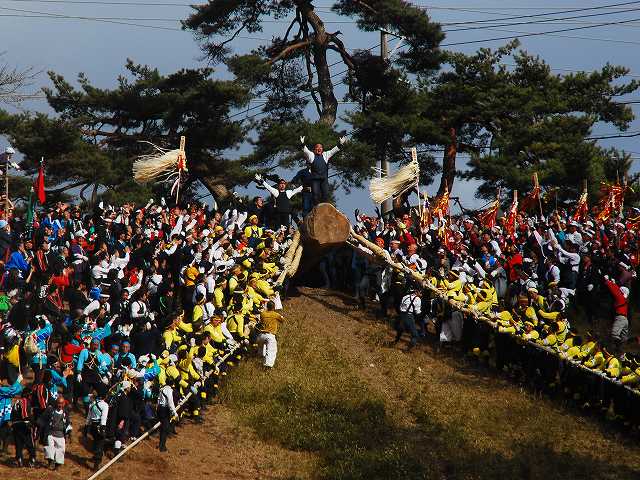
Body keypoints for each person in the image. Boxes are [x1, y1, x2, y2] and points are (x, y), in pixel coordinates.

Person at [300, 135, 347, 205]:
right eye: (317, 147)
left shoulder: (325, 155)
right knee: (315, 195)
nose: (319, 149)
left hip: (324, 179)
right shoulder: (312, 155)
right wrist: (302, 143)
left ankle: (324, 207)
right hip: (315, 179)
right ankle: (316, 207)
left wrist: (340, 144)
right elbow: (305, 150)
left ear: (322, 149)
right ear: (314, 150)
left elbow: (334, 150)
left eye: (321, 147)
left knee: (325, 195)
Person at [39, 395, 72, 470]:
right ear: (56, 403)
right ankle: (50, 463)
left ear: (64, 404)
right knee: (49, 449)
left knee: (60, 450)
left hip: (60, 435)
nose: (60, 405)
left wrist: (69, 434)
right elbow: (42, 419)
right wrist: (39, 427)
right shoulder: (50, 410)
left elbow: (68, 423)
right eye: (59, 403)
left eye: (62, 403)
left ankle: (57, 466)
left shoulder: (65, 413)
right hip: (50, 433)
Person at [84, 389, 109, 470]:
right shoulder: (105, 405)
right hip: (99, 426)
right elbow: (103, 418)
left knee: (96, 442)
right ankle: (96, 465)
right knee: (100, 444)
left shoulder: (92, 404)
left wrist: (86, 427)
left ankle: (95, 457)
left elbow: (88, 417)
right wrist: (103, 428)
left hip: (92, 426)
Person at [256, 300, 284, 368]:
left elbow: (261, 321)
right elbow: (282, 320)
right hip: (270, 335)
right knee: (271, 350)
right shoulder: (276, 314)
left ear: (267, 306)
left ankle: (260, 357)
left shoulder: (262, 314)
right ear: (274, 307)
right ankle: (267, 366)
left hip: (261, 335)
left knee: (261, 350)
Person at [157, 376, 177, 452]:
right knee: (165, 428)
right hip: (164, 410)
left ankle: (162, 445)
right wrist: (174, 412)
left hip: (160, 408)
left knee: (164, 427)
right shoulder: (168, 390)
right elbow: (170, 402)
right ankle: (162, 447)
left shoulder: (162, 388)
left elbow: (158, 400)